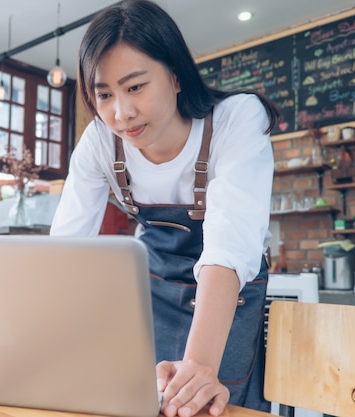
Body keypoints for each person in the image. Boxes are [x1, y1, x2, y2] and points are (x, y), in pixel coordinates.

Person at [49, 1, 281, 416]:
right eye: (104, 95)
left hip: (228, 303)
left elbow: (229, 244)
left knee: (210, 405)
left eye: (135, 87)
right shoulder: (101, 144)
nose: (122, 114)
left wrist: (200, 364)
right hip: (153, 297)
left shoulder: (236, 120)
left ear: (175, 75)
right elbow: (63, 255)